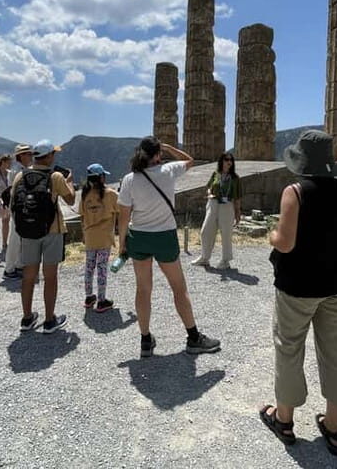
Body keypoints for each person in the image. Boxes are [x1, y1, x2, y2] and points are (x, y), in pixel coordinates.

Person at [261, 130, 337, 456]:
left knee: (289, 349)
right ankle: (334, 428)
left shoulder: (295, 192)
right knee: (336, 353)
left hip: (298, 285)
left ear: (302, 159)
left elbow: (285, 242)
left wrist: (272, 234)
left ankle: (284, 420)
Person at [117, 136, 220, 358]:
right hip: (164, 236)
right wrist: (169, 148)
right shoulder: (169, 170)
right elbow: (190, 160)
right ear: (158, 154)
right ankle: (193, 337)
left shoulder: (129, 179)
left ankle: (145, 340)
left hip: (139, 237)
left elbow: (123, 217)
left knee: (143, 289)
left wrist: (121, 244)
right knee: (178, 288)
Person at [12, 140, 75, 333]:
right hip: (52, 230)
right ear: (48, 156)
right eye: (53, 154)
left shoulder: (19, 176)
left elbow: (14, 202)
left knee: (29, 276)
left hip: (28, 232)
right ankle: (49, 320)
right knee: (50, 277)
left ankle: (27, 318)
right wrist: (69, 181)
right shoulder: (55, 176)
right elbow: (71, 199)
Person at [192, 151, 243, 269]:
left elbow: (238, 197)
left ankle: (225, 261)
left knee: (226, 233)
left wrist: (238, 213)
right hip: (213, 203)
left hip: (227, 206)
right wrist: (210, 193)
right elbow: (209, 187)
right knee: (206, 231)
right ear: (221, 161)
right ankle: (204, 257)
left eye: (231, 160)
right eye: (226, 159)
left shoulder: (235, 178)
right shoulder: (215, 174)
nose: (229, 162)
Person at [78, 163, 118, 312]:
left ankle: (89, 297)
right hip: (104, 238)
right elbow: (123, 207)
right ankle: (102, 300)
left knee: (89, 268)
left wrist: (84, 234)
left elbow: (82, 217)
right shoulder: (111, 194)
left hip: (89, 237)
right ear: (101, 177)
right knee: (102, 269)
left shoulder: (84, 195)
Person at [3, 144, 32, 279]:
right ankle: (9, 268)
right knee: (15, 238)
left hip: (22, 207)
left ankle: (19, 264)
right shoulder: (17, 171)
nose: (30, 156)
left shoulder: (22, 169)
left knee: (22, 237)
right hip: (18, 207)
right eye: (28, 154)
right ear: (21, 156)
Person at [0, 154, 13, 257]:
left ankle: (4, 243)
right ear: (3, 162)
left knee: (6, 221)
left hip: (7, 200)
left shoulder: (10, 173)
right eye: (8, 162)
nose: (10, 164)